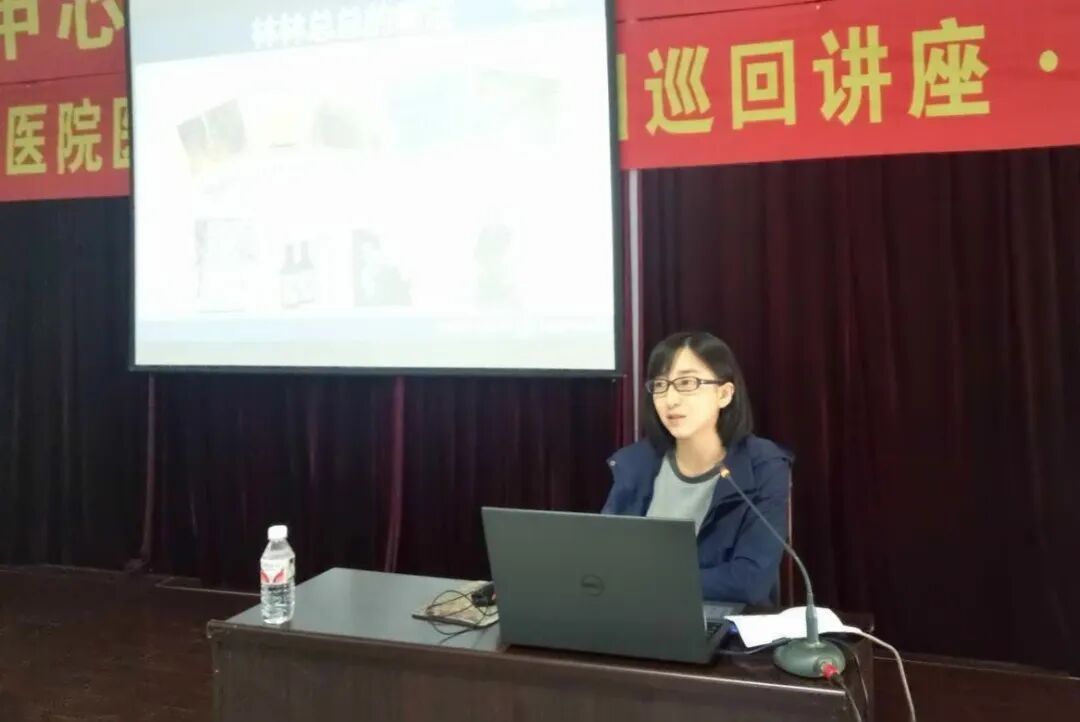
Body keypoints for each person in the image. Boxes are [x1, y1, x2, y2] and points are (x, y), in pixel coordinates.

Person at [602, 331, 792, 605]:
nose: (671, 399)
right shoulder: (635, 464)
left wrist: (650, 581)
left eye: (686, 383)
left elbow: (751, 580)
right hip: (638, 614)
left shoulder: (763, 466)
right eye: (660, 385)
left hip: (724, 621)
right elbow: (605, 563)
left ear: (724, 394)